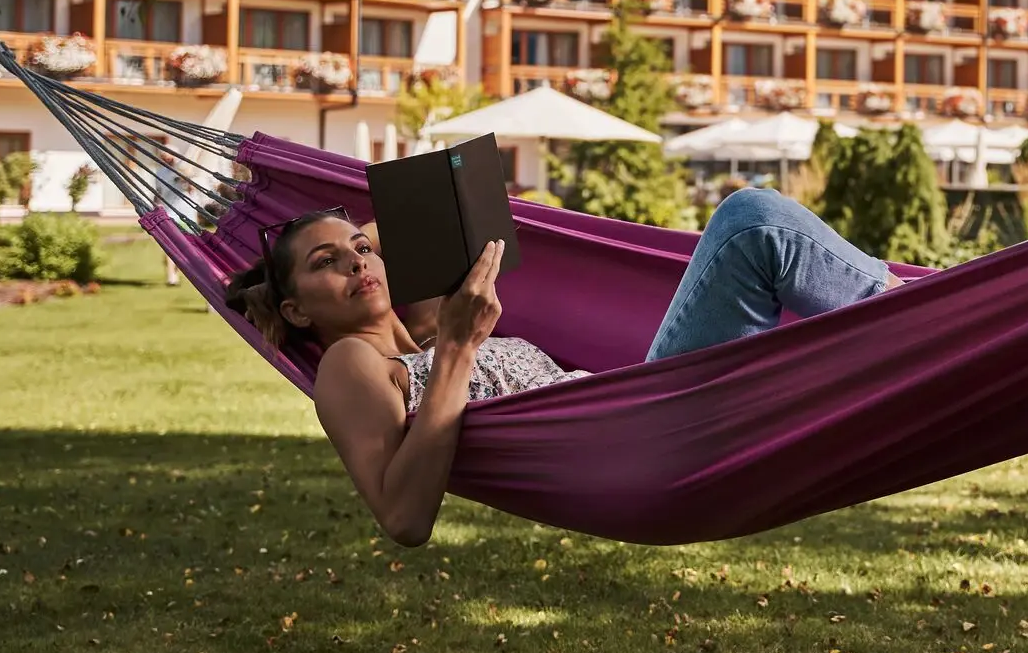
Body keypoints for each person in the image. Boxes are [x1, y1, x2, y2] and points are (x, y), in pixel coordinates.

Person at [224, 188, 900, 546]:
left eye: (359, 250)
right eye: (326, 264)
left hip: (653, 418)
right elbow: (403, 517)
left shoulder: (430, 326)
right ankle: (911, 315)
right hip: (644, 444)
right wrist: (459, 347)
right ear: (297, 310)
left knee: (756, 227)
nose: (357, 263)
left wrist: (367, 246)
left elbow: (431, 200)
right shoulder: (354, 361)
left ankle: (918, 320)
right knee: (751, 224)